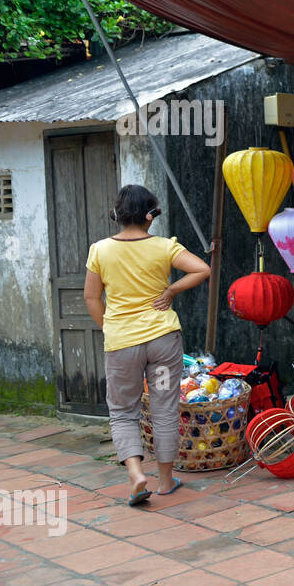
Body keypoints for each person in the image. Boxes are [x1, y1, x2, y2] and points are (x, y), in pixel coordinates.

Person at [83, 185, 211, 506]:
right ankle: (166, 482)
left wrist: (111, 328)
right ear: (150, 216)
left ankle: (137, 473)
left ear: (118, 214)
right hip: (163, 342)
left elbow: (91, 297)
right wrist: (171, 292)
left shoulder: (100, 250)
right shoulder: (164, 247)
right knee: (164, 410)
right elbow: (202, 269)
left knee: (123, 412)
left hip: (122, 344)